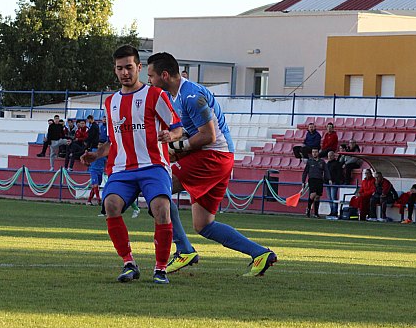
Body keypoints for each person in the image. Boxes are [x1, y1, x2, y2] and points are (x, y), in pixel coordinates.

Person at [146, 52, 277, 277]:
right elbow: (193, 132)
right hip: (217, 158)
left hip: (212, 157)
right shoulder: (178, 95)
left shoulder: (190, 96)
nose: (149, 80)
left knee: (156, 192)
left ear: (164, 75)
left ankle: (184, 249)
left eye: (151, 76)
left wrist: (177, 148)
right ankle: (260, 253)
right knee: (203, 225)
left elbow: (208, 135)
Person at [81, 45, 182, 284]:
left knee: (161, 208)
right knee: (111, 204)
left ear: (139, 67)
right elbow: (111, 141)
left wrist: (171, 137)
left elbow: (177, 127)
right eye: (120, 68)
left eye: (129, 67)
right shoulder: (111, 102)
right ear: (115, 71)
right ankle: (129, 263)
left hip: (153, 166)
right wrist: (96, 155)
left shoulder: (155, 95)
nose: (124, 72)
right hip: (121, 169)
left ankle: (160, 269)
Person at [301, 147, 330, 218]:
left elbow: (326, 171)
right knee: (313, 194)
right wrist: (303, 181)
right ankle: (308, 209)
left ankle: (316, 213)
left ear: (318, 153)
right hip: (312, 179)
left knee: (317, 197)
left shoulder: (322, 162)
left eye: (316, 152)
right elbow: (305, 172)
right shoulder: (309, 161)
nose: (314, 153)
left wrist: (329, 179)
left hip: (319, 180)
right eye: (313, 152)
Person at [326, 150, 344, 219]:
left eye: (331, 156)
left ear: (334, 156)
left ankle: (335, 211)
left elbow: (338, 174)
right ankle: (331, 211)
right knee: (330, 198)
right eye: (328, 156)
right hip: (328, 183)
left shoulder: (337, 164)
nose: (329, 157)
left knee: (333, 197)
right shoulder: (327, 164)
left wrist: (333, 180)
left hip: (334, 183)